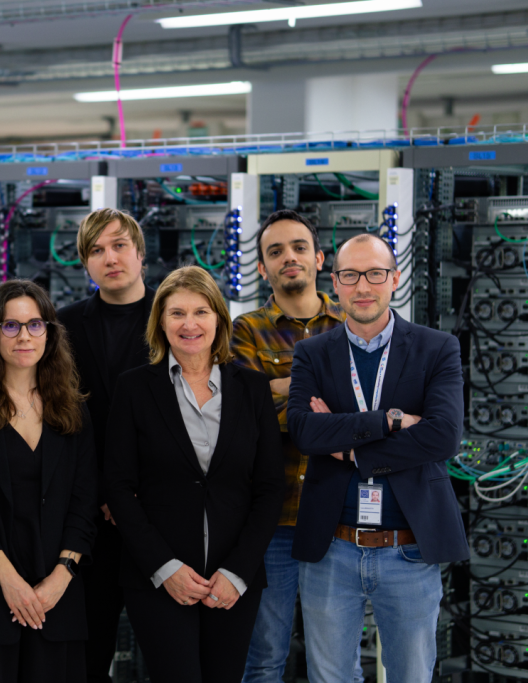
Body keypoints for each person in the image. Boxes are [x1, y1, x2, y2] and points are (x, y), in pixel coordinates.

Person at [286, 234, 467, 683]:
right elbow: (304, 431)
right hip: (332, 547)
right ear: (335, 282)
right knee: (329, 677)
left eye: (374, 274)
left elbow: (442, 437)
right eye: (350, 276)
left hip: (409, 548)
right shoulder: (312, 353)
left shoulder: (437, 348)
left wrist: (348, 444)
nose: (362, 286)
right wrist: (392, 420)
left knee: (411, 676)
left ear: (395, 279)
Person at [105, 266, 284, 683]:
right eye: (176, 313)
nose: (189, 324)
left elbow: (270, 488)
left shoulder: (253, 389)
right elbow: (117, 485)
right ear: (160, 322)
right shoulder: (133, 388)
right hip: (160, 579)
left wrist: (238, 572)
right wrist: (165, 568)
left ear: (219, 319)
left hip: (233, 580)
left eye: (201, 312)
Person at [0, 280, 98, 683]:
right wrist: (11, 583)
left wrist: (60, 579)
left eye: (35, 325)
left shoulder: (74, 411)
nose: (24, 336)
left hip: (57, 599)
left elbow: (85, 503)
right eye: (10, 326)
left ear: (50, 333)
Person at [230, 210, 349, 683]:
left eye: (299, 247)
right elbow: (244, 418)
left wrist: (276, 389)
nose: (289, 258)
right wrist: (321, 405)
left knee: (334, 666)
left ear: (319, 259)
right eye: (275, 251)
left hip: (338, 518)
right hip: (270, 521)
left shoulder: (350, 323)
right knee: (262, 660)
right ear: (262, 268)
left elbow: (368, 414)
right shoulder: (244, 331)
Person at [56, 208, 154, 683]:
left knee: (167, 654)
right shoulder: (61, 326)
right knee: (85, 654)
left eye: (119, 246)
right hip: (87, 520)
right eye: (96, 250)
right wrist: (102, 491)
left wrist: (131, 493)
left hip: (157, 515)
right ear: (85, 263)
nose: (110, 257)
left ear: (140, 253)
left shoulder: (177, 317)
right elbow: (59, 420)